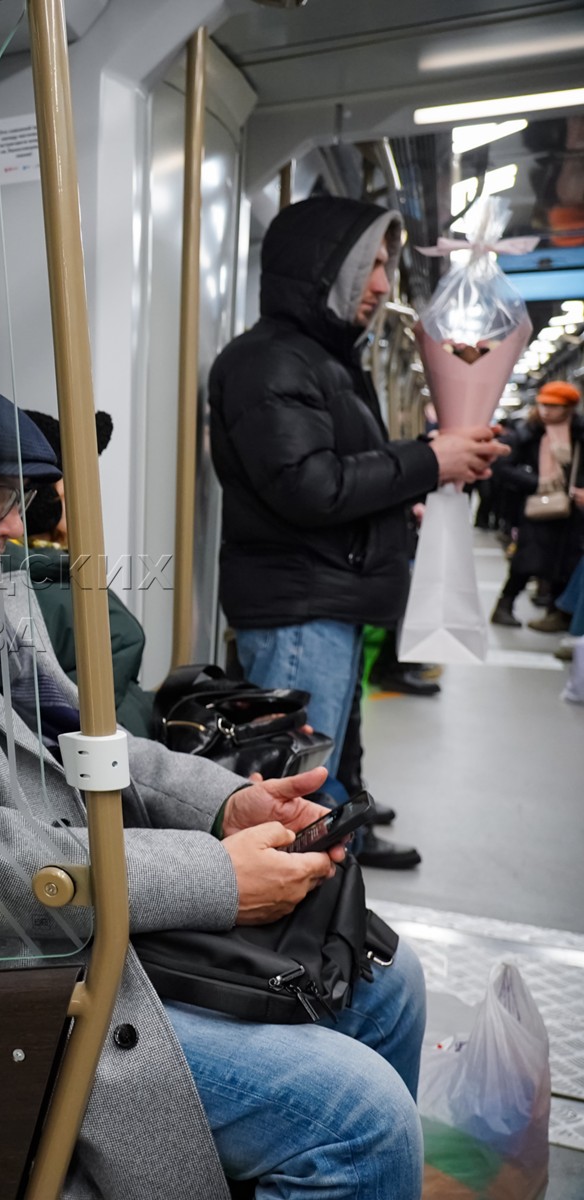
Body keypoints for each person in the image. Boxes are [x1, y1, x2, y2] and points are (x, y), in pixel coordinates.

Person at [0, 373, 426, 1199]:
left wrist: (223, 803)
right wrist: (217, 879)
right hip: (17, 970)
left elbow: (91, 741)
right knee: (362, 1118)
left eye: (21, 501)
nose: (16, 528)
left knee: (392, 985)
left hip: (93, 916)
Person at [207, 196, 507, 869]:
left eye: (385, 265)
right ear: (320, 267)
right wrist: (430, 460)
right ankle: (298, 917)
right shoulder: (271, 362)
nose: (380, 283)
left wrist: (407, 498)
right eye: (367, 265)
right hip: (298, 609)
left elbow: (337, 475)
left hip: (323, 598)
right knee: (294, 794)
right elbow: (308, 487)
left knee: (321, 769)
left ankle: (340, 864)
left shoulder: (319, 358)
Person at [10, 408, 160, 738]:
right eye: (67, 494)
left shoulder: (45, 568)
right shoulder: (44, 578)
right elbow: (123, 640)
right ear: (40, 501)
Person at [491, 381, 584, 630]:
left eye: (554, 406)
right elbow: (502, 466)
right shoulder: (527, 433)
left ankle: (556, 612)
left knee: (565, 561)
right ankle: (504, 605)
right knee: (526, 559)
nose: (547, 411)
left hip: (572, 510)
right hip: (537, 505)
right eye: (544, 405)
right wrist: (536, 483)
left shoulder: (579, 433)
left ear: (568, 408)